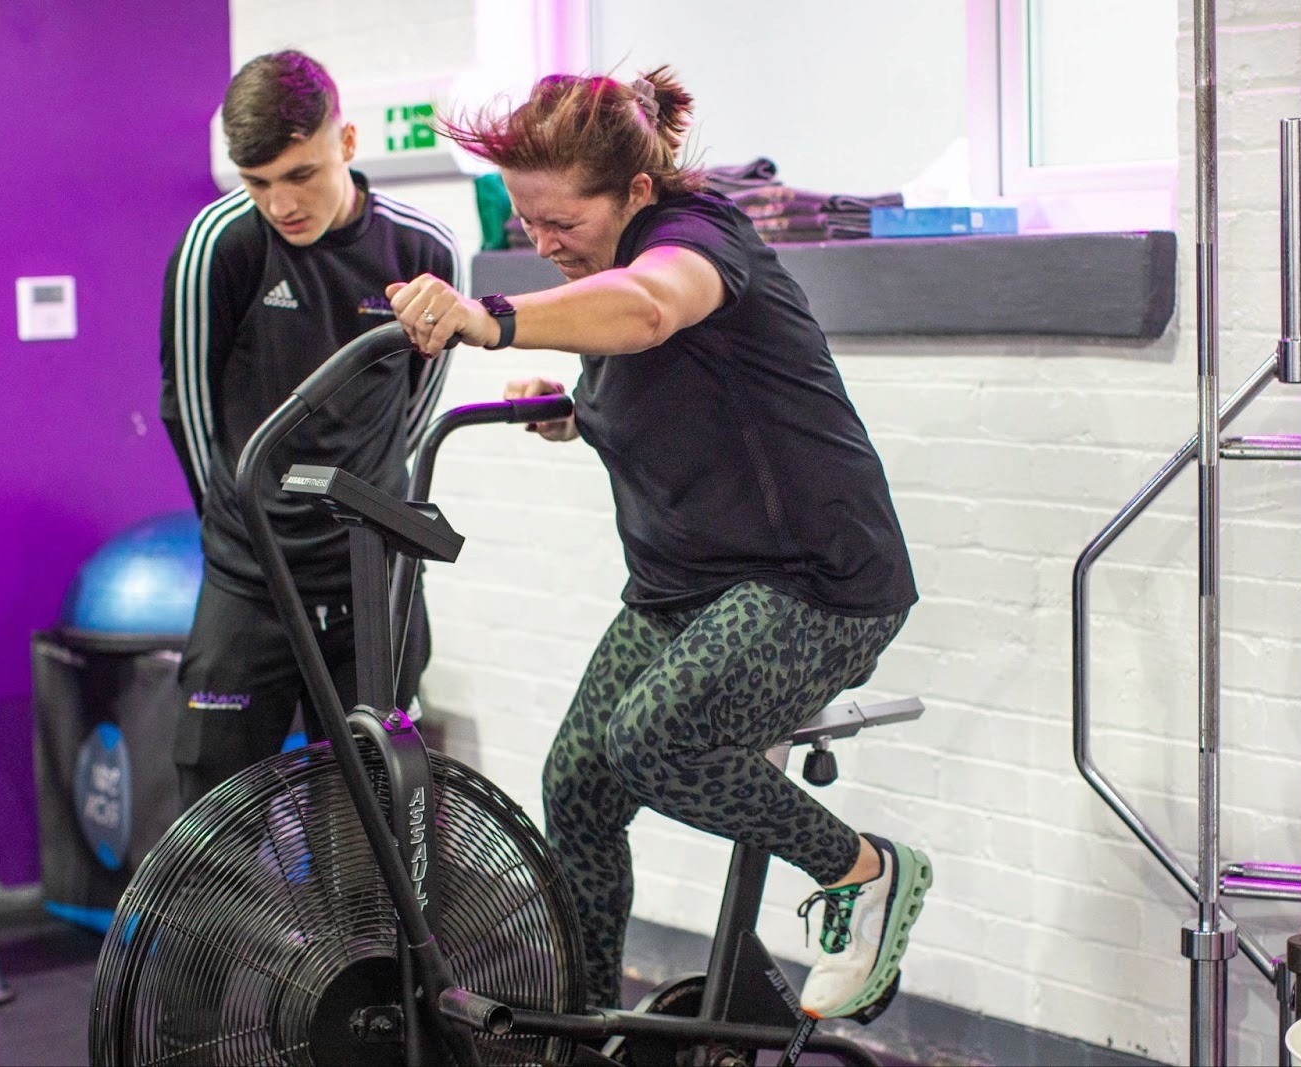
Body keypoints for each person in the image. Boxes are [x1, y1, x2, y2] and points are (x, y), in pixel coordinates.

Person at [385, 68, 928, 1020]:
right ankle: (586, 1023)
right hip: (681, 591)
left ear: (635, 191)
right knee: (580, 784)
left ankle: (867, 871)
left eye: (562, 224)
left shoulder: (696, 238)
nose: (542, 246)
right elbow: (663, 381)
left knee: (653, 742)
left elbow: (650, 308)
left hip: (817, 587)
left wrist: (493, 321)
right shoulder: (596, 273)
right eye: (527, 224)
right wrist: (573, 413)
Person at [161, 49, 463, 808]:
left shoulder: (425, 251)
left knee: (374, 820)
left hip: (373, 579)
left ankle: (361, 936)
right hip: (250, 578)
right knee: (214, 812)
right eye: (258, 183)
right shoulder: (217, 246)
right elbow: (189, 413)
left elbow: (414, 410)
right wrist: (247, 531)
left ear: (348, 143)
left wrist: (377, 511)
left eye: (301, 175)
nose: (280, 203)